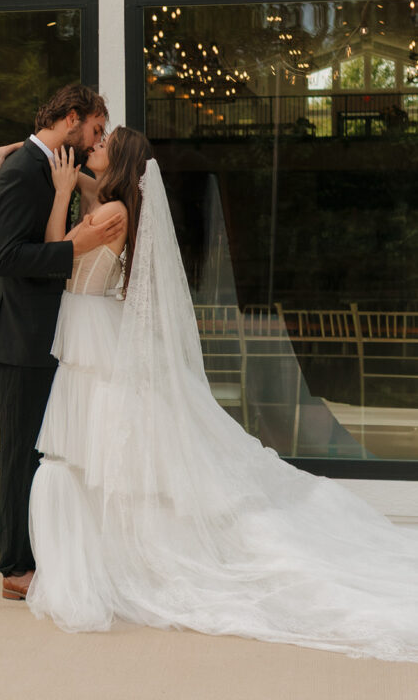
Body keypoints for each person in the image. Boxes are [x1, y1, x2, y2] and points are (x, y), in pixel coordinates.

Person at [26, 126, 418, 663]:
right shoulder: (111, 204)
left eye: (102, 143)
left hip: (94, 332)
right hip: (91, 331)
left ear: (120, 161)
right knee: (87, 449)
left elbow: (54, 255)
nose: (92, 146)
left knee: (102, 447)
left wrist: (64, 192)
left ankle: (131, 557)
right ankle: (99, 554)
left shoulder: (111, 213)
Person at [0, 85, 125, 602]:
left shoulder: (37, 164)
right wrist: (71, 251)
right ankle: (16, 568)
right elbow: (10, 259)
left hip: (50, 335)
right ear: (71, 119)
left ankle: (39, 552)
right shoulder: (24, 171)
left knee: (41, 453)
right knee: (21, 454)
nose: (96, 141)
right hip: (23, 336)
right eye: (94, 129)